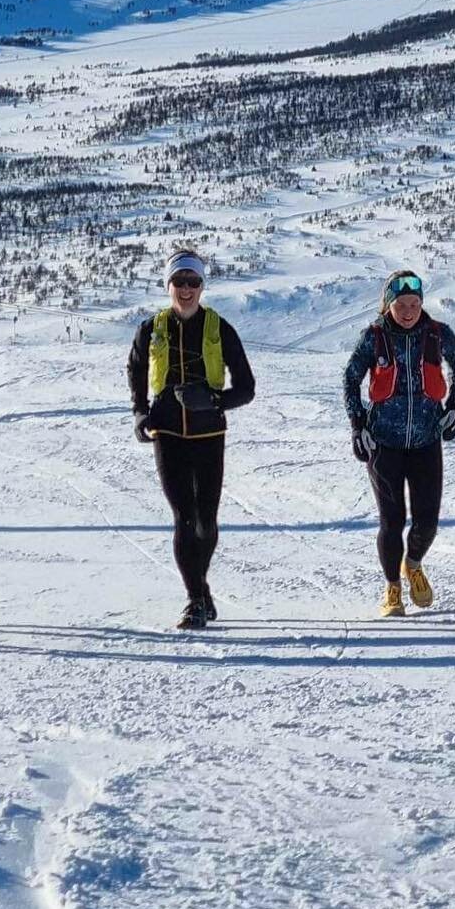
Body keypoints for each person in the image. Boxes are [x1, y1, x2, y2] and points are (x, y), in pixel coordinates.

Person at [128, 249, 255, 631]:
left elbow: (247, 387)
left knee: (206, 521)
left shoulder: (220, 328)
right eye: (179, 282)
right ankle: (195, 599)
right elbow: (135, 368)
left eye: (193, 282)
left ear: (202, 287)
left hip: (209, 434)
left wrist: (215, 401)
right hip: (167, 433)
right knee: (183, 516)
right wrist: (139, 412)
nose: (186, 289)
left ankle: (201, 589)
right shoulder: (151, 329)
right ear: (168, 285)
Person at [343, 269, 455, 618]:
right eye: (401, 304)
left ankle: (412, 564)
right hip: (384, 443)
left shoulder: (438, 334)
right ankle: (392, 589)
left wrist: (454, 405)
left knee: (427, 522)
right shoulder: (375, 337)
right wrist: (357, 424)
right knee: (391, 521)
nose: (409, 310)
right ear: (388, 304)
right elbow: (351, 378)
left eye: (415, 303)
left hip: (427, 440)